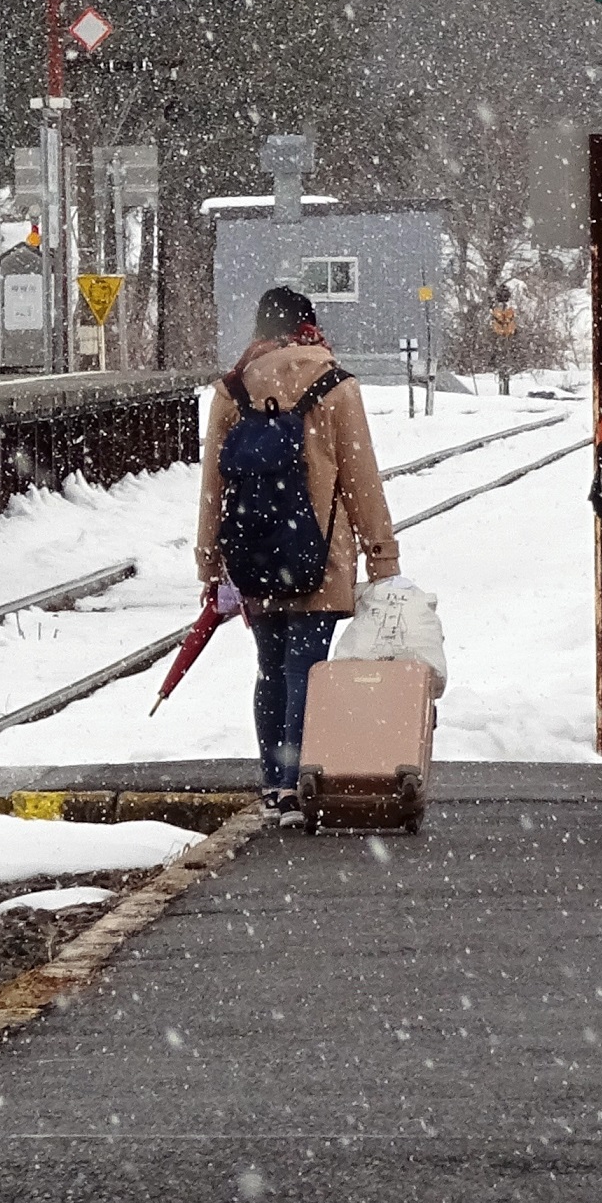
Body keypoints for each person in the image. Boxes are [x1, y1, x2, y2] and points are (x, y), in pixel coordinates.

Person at [197, 285, 403, 814]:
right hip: (319, 554)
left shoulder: (232, 388)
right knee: (305, 667)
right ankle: (295, 781)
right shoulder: (336, 386)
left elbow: (213, 485)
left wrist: (209, 560)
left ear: (261, 330)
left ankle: (274, 779)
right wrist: (382, 555)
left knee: (269, 666)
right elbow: (362, 480)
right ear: (308, 327)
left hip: (253, 550)